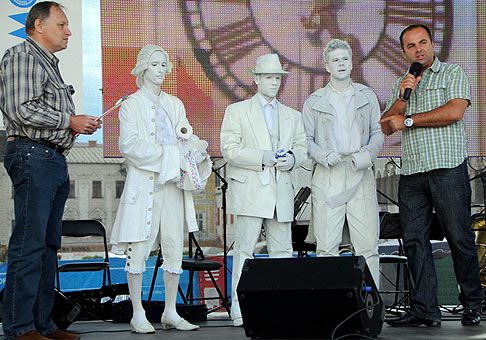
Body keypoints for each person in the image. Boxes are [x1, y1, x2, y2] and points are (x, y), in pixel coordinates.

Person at [0, 2, 102, 340]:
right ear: (39, 25)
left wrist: (71, 129)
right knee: (29, 244)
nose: (68, 31)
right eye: (62, 24)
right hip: (32, 155)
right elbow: (20, 108)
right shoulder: (22, 56)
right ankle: (19, 327)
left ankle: (42, 324)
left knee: (46, 245)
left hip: (51, 158)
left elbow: (38, 112)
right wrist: (69, 121)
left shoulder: (48, 64)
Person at [380, 24, 482, 327]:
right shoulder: (403, 82)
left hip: (447, 167)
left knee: (459, 237)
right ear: (404, 52)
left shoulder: (452, 73)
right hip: (412, 173)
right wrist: (402, 98)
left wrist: (408, 119)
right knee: (413, 241)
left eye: (422, 42)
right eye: (410, 46)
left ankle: (473, 304)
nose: (418, 50)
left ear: (432, 44)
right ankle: (425, 309)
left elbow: (454, 112)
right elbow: (386, 126)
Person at [110, 44, 211, 333]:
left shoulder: (175, 104)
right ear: (143, 67)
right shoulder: (130, 104)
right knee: (139, 247)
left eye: (164, 64)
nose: (161, 70)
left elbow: (185, 135)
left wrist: (193, 150)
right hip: (143, 186)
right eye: (155, 64)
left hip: (173, 187)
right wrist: (172, 156)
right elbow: (130, 147)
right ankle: (138, 312)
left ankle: (170, 311)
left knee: (173, 248)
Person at [220, 53, 307, 327]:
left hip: (280, 190)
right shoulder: (237, 111)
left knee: (282, 250)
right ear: (256, 79)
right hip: (250, 189)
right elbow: (229, 150)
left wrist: (292, 159)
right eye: (268, 77)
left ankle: (280, 306)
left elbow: (302, 149)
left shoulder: (293, 115)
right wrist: (263, 157)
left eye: (277, 78)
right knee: (244, 250)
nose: (274, 83)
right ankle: (238, 308)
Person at [302, 39, 383, 284]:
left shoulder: (367, 96)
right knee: (327, 245)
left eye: (345, 59)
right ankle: (330, 306)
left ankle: (371, 305)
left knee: (367, 243)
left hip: (359, 171)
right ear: (327, 66)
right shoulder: (314, 101)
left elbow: (377, 132)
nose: (341, 64)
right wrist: (323, 155)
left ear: (351, 63)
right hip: (329, 174)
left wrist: (367, 155)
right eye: (335, 60)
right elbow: (305, 139)